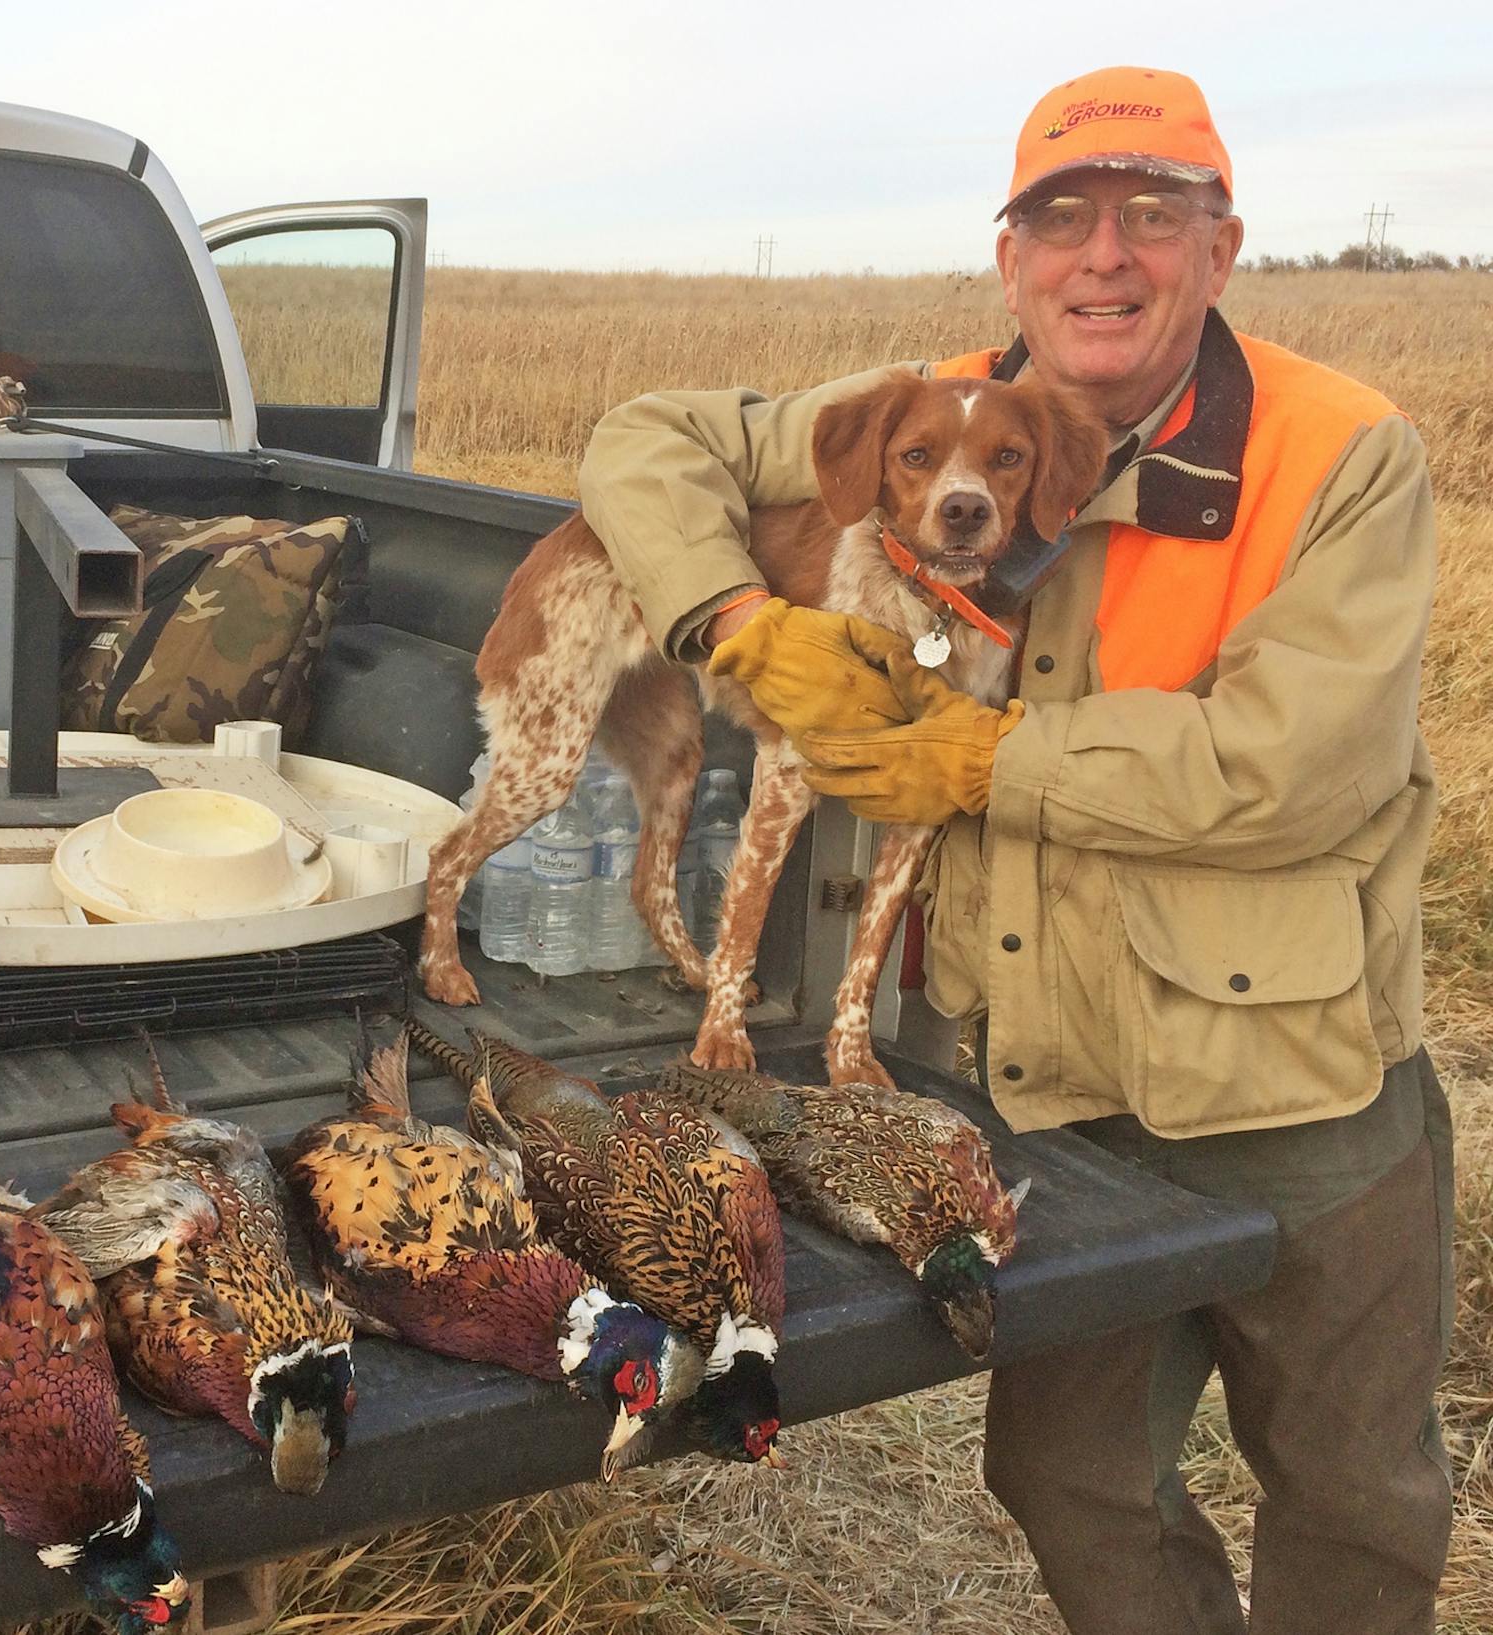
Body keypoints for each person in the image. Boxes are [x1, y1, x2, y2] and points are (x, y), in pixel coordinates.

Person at [577, 65, 1451, 1635]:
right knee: (1069, 1479)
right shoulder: (948, 406)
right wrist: (735, 619)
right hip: (1049, 1082)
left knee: (1354, 1493)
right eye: (1061, 220)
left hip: (1298, 1077)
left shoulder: (1339, 451)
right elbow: (649, 437)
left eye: (1150, 217)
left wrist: (977, 756)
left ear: (1219, 249)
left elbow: (1292, 773)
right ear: (1013, 259)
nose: (1102, 258)